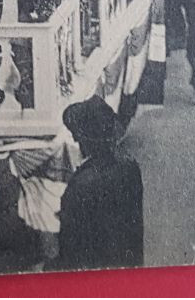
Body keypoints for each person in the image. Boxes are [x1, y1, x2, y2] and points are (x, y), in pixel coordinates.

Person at [55, 96, 143, 270]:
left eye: (77, 137)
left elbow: (70, 252)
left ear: (85, 141)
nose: (75, 141)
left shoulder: (80, 185)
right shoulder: (131, 167)